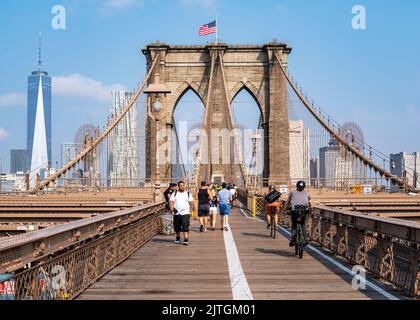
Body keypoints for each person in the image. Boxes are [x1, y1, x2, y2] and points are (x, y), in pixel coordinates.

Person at [282, 180, 311, 247]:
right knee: (303, 224)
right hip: (304, 211)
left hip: (294, 211)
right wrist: (310, 211)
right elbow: (310, 203)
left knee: (294, 225)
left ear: (297, 186)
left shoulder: (292, 192)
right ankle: (306, 240)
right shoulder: (307, 193)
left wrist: (284, 210)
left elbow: (287, 202)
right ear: (304, 187)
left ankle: (293, 239)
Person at [170, 181, 195, 245]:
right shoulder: (174, 194)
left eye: (183, 185)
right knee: (177, 227)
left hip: (185, 213)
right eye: (181, 185)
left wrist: (194, 211)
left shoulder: (188, 194)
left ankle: (186, 239)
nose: (182, 187)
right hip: (176, 213)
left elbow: (191, 203)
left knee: (185, 226)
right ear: (178, 186)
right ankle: (178, 237)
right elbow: (171, 202)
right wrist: (172, 209)